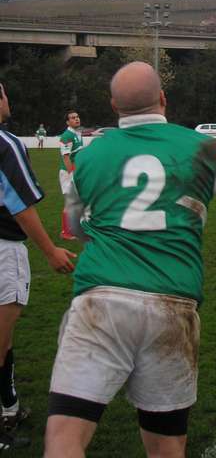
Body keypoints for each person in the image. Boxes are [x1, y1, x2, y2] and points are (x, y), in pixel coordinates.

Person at [44, 62, 216, 458]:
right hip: (171, 302)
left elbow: (76, 225)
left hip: (99, 300)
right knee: (166, 447)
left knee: (64, 440)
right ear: (163, 98)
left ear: (113, 106)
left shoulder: (91, 155)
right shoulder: (201, 147)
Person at [0, 82, 75, 452]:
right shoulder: (6, 143)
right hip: (4, 250)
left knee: (6, 338)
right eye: (3, 93)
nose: (8, 99)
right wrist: (49, 251)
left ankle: (8, 406)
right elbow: (20, 205)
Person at [58, 111, 84, 240]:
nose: (76, 119)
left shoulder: (77, 133)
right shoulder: (67, 136)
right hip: (68, 173)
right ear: (67, 122)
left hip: (76, 170)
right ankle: (65, 232)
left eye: (77, 117)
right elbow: (66, 158)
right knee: (70, 202)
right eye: (73, 118)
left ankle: (76, 227)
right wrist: (72, 173)